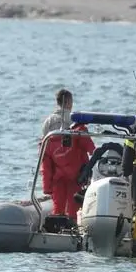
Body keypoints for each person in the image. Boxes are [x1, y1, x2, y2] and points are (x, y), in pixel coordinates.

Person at [39, 88, 95, 219]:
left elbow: (45, 154)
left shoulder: (47, 122)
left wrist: (46, 185)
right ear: (69, 102)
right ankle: (73, 228)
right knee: (74, 207)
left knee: (58, 206)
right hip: (75, 174)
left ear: (57, 102)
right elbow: (90, 147)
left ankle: (57, 227)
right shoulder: (76, 122)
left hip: (57, 173)